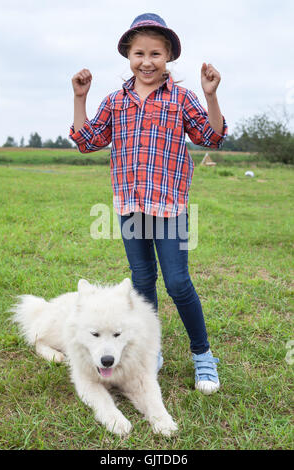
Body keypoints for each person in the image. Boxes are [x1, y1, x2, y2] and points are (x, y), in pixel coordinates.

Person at [69, 13, 228, 395]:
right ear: (128, 55)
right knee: (141, 284)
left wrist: (210, 95)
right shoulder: (116, 101)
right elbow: (87, 140)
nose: (147, 61)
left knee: (177, 282)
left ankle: (203, 355)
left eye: (156, 53)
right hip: (130, 206)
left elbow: (212, 137)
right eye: (139, 53)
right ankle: (150, 351)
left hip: (169, 208)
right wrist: (80, 97)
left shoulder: (182, 98)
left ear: (169, 55)